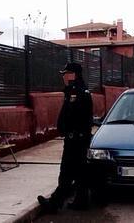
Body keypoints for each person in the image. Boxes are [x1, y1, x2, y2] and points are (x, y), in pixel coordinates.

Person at [37, 62, 93, 213]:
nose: (63, 76)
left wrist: (67, 129)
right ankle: (80, 201)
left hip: (75, 140)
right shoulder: (76, 91)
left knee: (66, 173)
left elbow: (75, 117)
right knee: (79, 172)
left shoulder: (77, 92)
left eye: (66, 73)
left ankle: (54, 203)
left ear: (73, 74)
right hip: (77, 139)